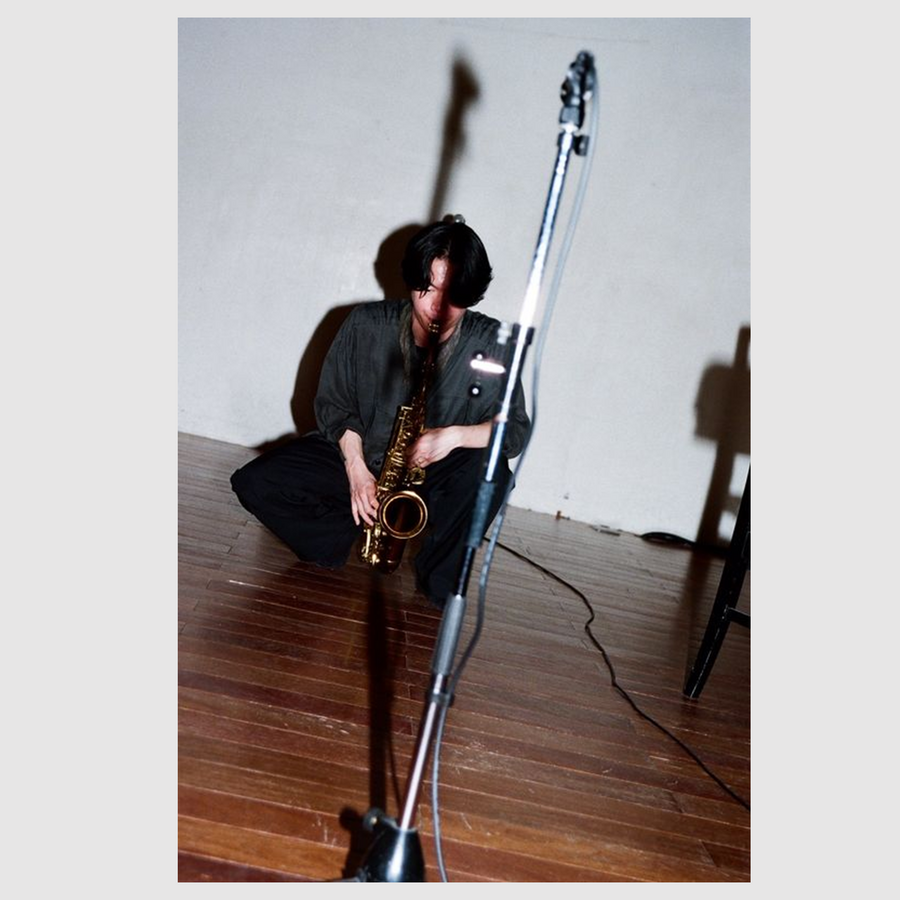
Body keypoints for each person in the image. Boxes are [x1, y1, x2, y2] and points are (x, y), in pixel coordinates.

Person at [230, 218, 530, 606]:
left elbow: (514, 430)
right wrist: (356, 469)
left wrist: (454, 436)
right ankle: (341, 534)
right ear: (410, 280)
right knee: (256, 482)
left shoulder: (494, 344)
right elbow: (335, 405)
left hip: (438, 470)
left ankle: (439, 582)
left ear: (473, 292)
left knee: (492, 475)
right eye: (427, 289)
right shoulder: (365, 325)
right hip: (364, 458)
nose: (437, 307)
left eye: (454, 294)